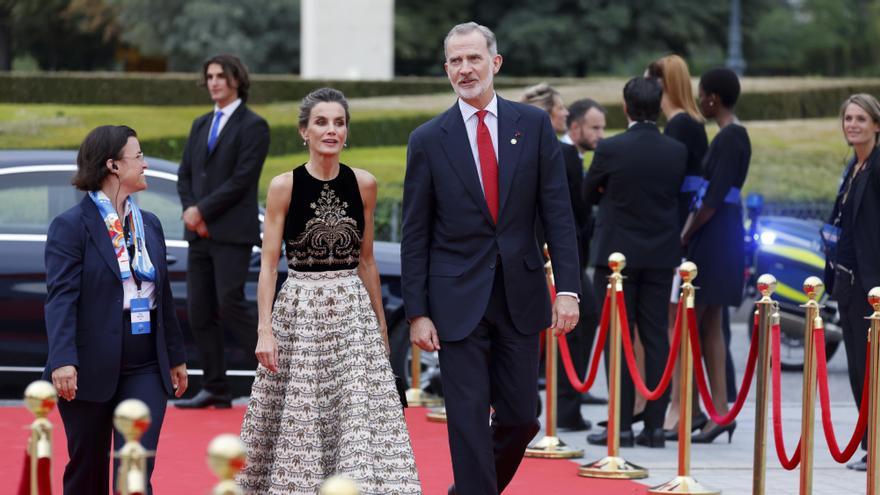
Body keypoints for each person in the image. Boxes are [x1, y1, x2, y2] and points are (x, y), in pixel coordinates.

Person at [401, 22, 581, 495]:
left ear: (495, 63)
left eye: (473, 58)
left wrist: (567, 289)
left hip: (519, 295)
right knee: (466, 420)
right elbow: (415, 233)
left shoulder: (534, 125)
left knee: (522, 418)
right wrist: (417, 312)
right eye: (456, 61)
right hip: (456, 299)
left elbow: (558, 213)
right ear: (446, 70)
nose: (465, 69)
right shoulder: (428, 139)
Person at [237, 88, 421, 494]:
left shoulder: (364, 184)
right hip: (300, 309)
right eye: (321, 122)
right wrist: (264, 330)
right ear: (304, 131)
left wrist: (380, 330)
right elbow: (269, 265)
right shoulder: (284, 186)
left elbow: (367, 261)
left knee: (354, 413)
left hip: (350, 313)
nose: (331, 130)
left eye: (339, 123)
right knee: (299, 415)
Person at [44, 125, 188, 494]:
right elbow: (61, 297)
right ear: (112, 165)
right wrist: (63, 359)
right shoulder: (71, 227)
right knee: (87, 469)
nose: (144, 164)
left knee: (134, 466)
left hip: (145, 363)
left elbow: (163, 296)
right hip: (88, 363)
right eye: (137, 157)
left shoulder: (149, 224)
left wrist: (175, 355)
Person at [583, 76, 686, 449]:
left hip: (617, 259)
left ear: (625, 107)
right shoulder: (675, 151)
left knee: (618, 337)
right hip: (660, 255)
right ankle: (655, 428)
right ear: (659, 108)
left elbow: (587, 191)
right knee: (656, 337)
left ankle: (622, 425)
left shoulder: (612, 148)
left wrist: (606, 192)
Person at [175, 54, 269, 409]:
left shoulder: (254, 126)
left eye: (220, 76)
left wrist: (203, 210)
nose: (214, 82)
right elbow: (185, 173)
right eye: (210, 76)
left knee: (230, 305)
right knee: (200, 312)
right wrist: (190, 210)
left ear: (236, 80)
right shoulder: (200, 124)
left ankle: (274, 380)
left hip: (231, 233)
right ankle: (215, 388)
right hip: (198, 234)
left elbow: (242, 180)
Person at [681, 67, 750, 444]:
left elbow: (711, 200)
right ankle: (716, 410)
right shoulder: (730, 136)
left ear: (713, 99)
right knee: (710, 325)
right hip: (721, 234)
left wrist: (685, 233)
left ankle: (711, 410)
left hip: (716, 236)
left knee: (703, 322)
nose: (700, 100)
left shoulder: (730, 138)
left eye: (702, 94)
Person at [520, 83, 593, 431]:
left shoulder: (517, 147)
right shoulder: (562, 154)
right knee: (572, 334)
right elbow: (574, 213)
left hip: (530, 254)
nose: (567, 113)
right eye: (561, 108)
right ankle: (566, 408)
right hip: (556, 259)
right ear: (547, 113)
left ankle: (529, 402)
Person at [646, 54, 710, 439]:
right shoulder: (683, 124)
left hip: (679, 238)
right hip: (679, 234)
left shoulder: (682, 127)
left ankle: (681, 406)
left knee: (677, 326)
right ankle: (685, 405)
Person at [822, 93, 880, 471]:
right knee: (858, 366)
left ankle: (875, 445)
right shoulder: (854, 166)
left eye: (861, 119)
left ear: (877, 125)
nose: (853, 125)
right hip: (846, 282)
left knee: (870, 367)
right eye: (848, 119)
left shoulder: (877, 168)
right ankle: (869, 442)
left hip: (870, 284)